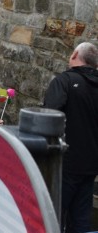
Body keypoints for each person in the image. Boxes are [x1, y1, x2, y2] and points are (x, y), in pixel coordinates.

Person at [43, 41, 98, 233]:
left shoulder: (64, 81)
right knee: (81, 222)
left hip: (64, 164)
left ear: (75, 54)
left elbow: (48, 117)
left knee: (52, 218)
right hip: (91, 166)